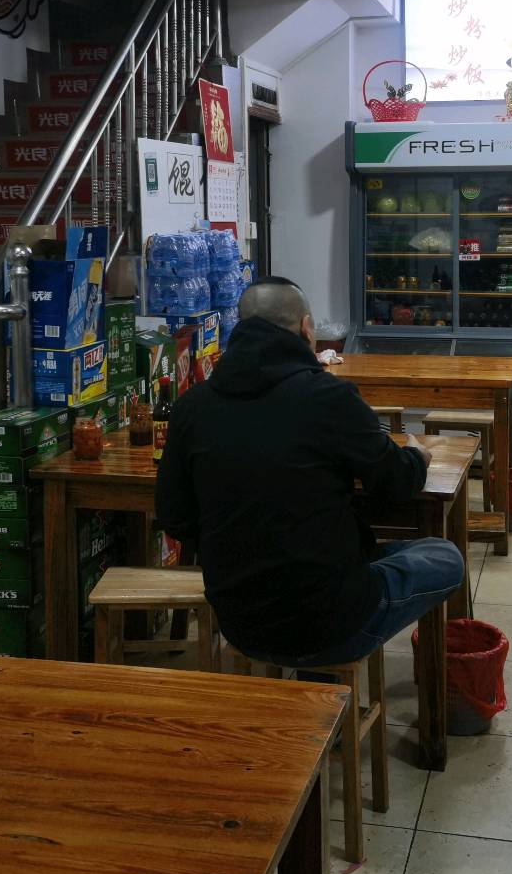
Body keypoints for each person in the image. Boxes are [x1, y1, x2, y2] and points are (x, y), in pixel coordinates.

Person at [156, 276, 464, 667]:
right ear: (306, 328)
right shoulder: (330, 398)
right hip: (330, 625)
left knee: (343, 559)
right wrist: (417, 457)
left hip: (240, 623)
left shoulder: (192, 407)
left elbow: (174, 516)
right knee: (443, 556)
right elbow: (397, 482)